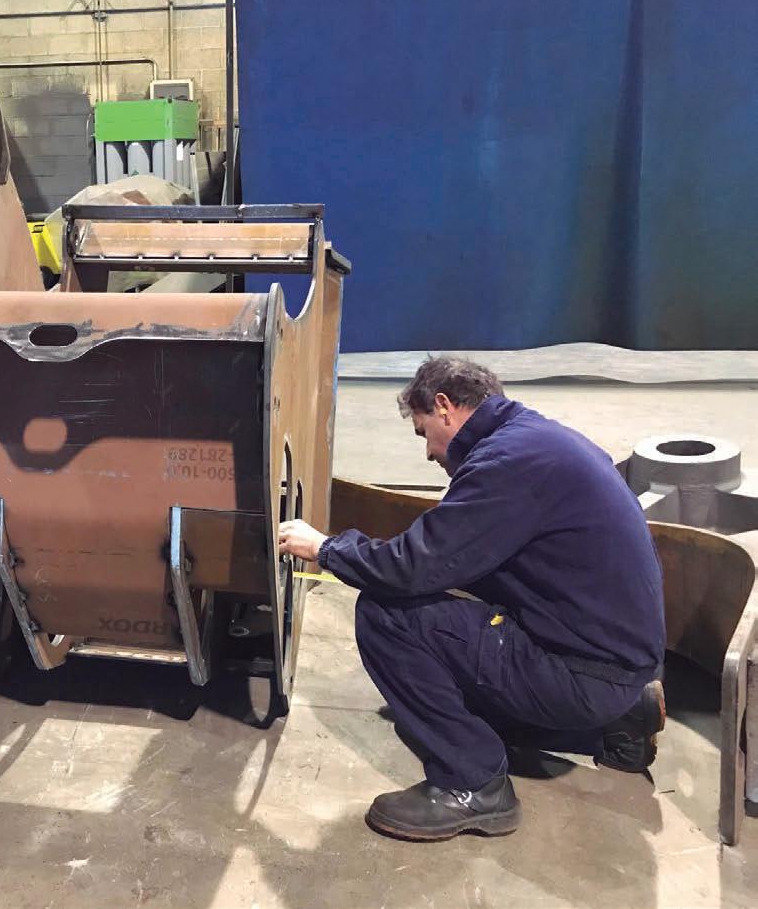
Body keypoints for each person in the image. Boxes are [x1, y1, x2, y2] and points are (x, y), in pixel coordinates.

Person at [278, 356, 666, 841]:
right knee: (450, 668)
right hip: (618, 661)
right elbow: (461, 560)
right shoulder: (537, 439)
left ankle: (473, 782)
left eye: (423, 432)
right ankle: (625, 716)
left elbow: (414, 566)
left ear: (443, 406)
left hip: (586, 675)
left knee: (385, 614)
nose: (428, 453)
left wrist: (325, 549)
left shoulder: (506, 464)